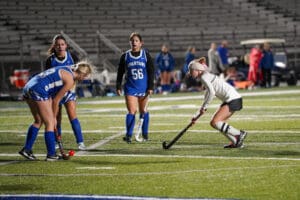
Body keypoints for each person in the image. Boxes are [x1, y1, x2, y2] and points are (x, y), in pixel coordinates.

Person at [19, 61, 93, 161]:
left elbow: (51, 94)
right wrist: (53, 117)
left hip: (29, 86)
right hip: (39, 89)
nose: (84, 79)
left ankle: (26, 149)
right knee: (49, 123)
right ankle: (51, 154)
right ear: (82, 74)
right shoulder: (70, 80)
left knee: (38, 120)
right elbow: (56, 100)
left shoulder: (66, 68)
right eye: (85, 77)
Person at [188, 59, 247, 148]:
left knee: (216, 122)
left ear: (198, 70)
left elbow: (212, 93)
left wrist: (204, 107)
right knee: (215, 123)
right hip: (231, 99)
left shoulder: (204, 77)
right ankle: (236, 142)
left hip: (233, 99)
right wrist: (198, 114)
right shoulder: (205, 76)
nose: (190, 73)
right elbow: (208, 93)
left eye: (191, 70)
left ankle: (239, 133)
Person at [45, 34, 86, 150]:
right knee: (56, 118)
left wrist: (73, 84)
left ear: (66, 45)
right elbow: (48, 78)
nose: (60, 47)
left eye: (62, 44)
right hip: (56, 92)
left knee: (72, 115)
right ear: (54, 46)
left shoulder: (72, 57)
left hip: (68, 91)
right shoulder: (50, 60)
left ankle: (80, 142)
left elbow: (78, 73)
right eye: (57, 45)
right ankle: (58, 141)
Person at [116, 32, 155, 143]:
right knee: (132, 111)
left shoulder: (145, 55)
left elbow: (151, 71)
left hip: (144, 87)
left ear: (141, 43)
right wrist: (118, 86)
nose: (134, 42)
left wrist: (151, 86)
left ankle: (145, 135)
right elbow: (120, 72)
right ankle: (128, 136)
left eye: (136, 40)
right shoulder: (125, 56)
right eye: (132, 41)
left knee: (144, 111)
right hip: (130, 88)